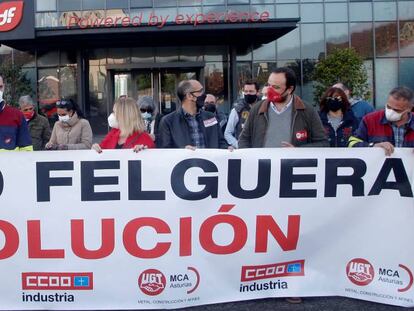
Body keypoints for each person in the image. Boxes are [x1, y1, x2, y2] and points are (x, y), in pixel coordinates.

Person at [238, 67, 329, 148]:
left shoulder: (307, 111)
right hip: (263, 166)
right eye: (269, 85)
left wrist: (298, 151)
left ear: (289, 89)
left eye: (276, 87)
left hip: (293, 165)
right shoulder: (257, 109)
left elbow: (323, 143)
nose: (270, 90)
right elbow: (244, 139)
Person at [158, 79, 229, 149]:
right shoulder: (168, 122)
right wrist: (182, 151)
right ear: (189, 96)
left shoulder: (211, 117)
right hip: (185, 160)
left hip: (210, 160)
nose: (204, 95)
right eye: (200, 91)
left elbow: (221, 142)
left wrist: (227, 148)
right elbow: (165, 151)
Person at [349, 86, 414, 155]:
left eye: (397, 110)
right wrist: (372, 146)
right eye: (388, 107)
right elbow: (352, 143)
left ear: (409, 108)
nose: (390, 112)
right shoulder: (370, 120)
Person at [0, 76, 33, 151]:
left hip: (12, 163)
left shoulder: (17, 116)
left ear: (4, 87)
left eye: (0, 87)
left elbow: (27, 150)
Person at [225, 80, 261, 148]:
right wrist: (238, 146)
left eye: (251, 91)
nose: (248, 94)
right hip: (243, 152)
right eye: (246, 91)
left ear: (257, 92)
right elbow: (227, 133)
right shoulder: (237, 109)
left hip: (261, 150)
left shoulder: (264, 107)